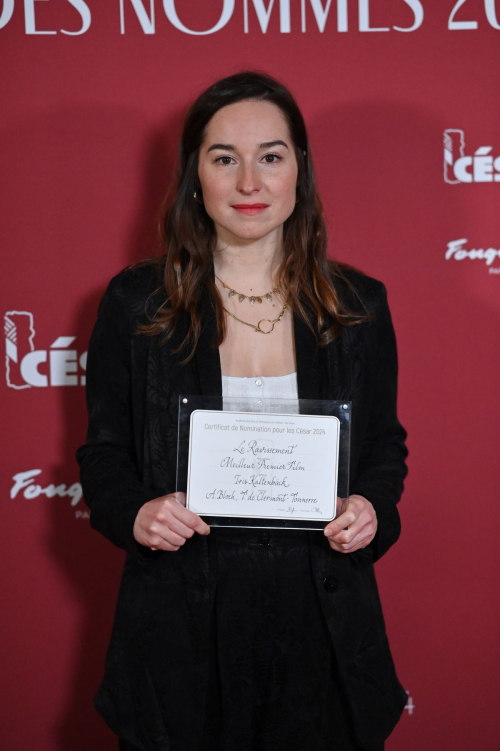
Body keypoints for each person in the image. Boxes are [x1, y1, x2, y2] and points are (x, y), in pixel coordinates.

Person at [77, 70, 408, 751]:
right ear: (195, 174)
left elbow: (382, 448)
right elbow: (103, 455)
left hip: (322, 622)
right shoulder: (136, 304)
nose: (249, 183)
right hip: (179, 632)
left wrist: (371, 509)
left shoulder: (359, 307)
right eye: (225, 157)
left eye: (271, 156)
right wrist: (136, 511)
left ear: (301, 172)